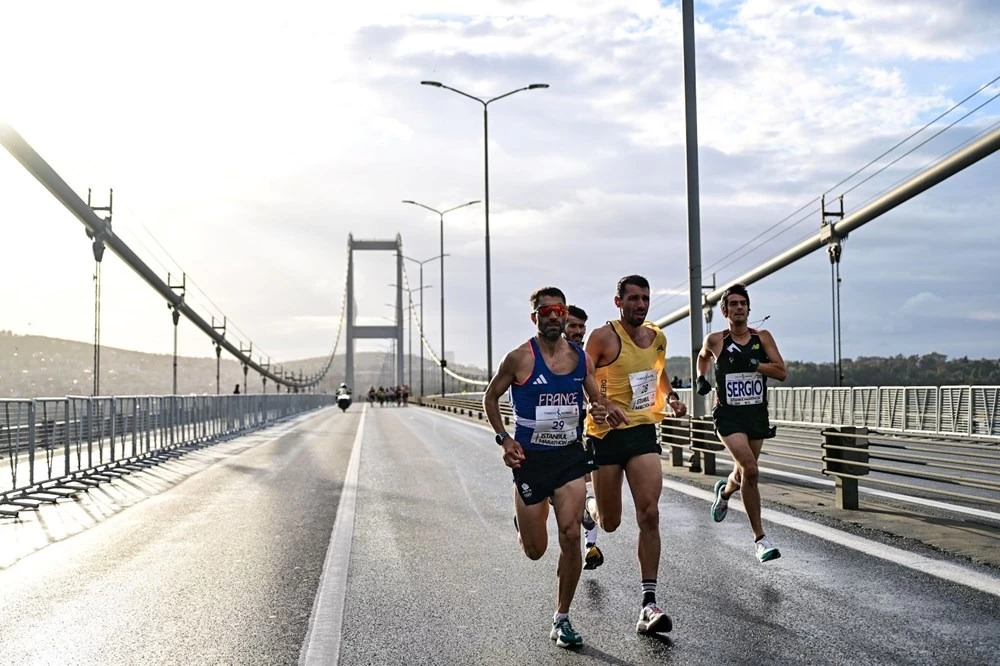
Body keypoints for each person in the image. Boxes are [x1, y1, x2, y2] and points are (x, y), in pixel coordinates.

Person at [483, 286, 626, 649]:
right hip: (531, 461)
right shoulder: (519, 358)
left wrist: (603, 409)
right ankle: (524, 519)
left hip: (568, 458)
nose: (552, 315)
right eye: (544, 311)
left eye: (558, 310)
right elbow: (490, 397)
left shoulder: (580, 358)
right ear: (535, 317)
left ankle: (561, 618)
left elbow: (596, 399)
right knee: (535, 550)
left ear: (565, 315)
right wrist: (504, 438)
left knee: (570, 536)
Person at [583, 275, 687, 635]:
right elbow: (583, 374)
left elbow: (658, 374)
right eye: (633, 299)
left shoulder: (657, 336)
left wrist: (671, 397)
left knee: (650, 512)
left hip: (642, 431)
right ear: (618, 302)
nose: (640, 305)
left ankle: (648, 604)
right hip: (607, 435)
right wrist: (600, 402)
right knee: (610, 522)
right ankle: (589, 510)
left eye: (645, 298)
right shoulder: (603, 337)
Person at [696, 282, 787, 562]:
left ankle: (725, 492)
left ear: (749, 309)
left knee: (744, 473)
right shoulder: (716, 340)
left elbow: (781, 372)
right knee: (751, 468)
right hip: (728, 416)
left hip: (756, 414)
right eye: (733, 304)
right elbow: (702, 357)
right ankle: (760, 539)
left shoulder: (763, 338)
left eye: (742, 304)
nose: (738, 308)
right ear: (725, 311)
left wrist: (754, 365)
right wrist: (702, 377)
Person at [564, 304, 603, 571]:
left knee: (587, 492)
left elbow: (593, 394)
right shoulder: (541, 358)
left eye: (581, 327)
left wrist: (597, 407)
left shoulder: (584, 358)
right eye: (573, 326)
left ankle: (590, 546)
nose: (578, 332)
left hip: (581, 436)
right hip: (546, 444)